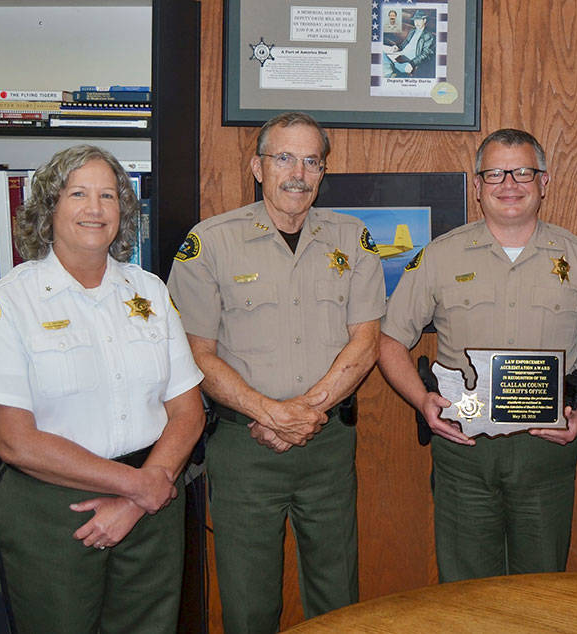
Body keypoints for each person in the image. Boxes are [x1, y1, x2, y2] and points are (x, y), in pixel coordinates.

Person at [0, 145, 205, 633]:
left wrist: (137, 498)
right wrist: (138, 488)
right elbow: (14, 441)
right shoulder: (10, 303)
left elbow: (188, 411)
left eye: (108, 195)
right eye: (79, 194)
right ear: (49, 208)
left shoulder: (149, 291)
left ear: (123, 211)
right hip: (55, 510)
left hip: (151, 505)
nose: (95, 209)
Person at [168, 112, 384, 633]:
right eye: (283, 157)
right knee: (247, 599)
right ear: (257, 167)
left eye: (312, 161)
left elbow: (367, 340)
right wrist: (271, 414)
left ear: (323, 172)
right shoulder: (210, 243)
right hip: (244, 448)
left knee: (337, 595)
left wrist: (304, 414)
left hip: (327, 441)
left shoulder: (352, 239)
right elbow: (195, 352)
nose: (297, 172)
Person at [377, 128, 577, 583]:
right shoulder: (440, 257)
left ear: (545, 182)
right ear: (478, 186)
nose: (510, 184)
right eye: (495, 173)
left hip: (544, 449)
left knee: (540, 589)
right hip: (464, 449)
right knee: (466, 591)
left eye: (524, 171)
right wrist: (421, 402)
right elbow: (390, 340)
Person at [383, 10, 435, 78]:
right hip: (400, 55)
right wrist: (397, 47)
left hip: (409, 61)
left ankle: (390, 73)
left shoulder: (429, 36)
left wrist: (412, 63)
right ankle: (391, 72)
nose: (416, 23)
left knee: (385, 65)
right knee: (381, 52)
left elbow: (425, 54)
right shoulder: (412, 31)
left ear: (424, 20)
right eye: (415, 20)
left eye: (419, 20)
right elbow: (405, 43)